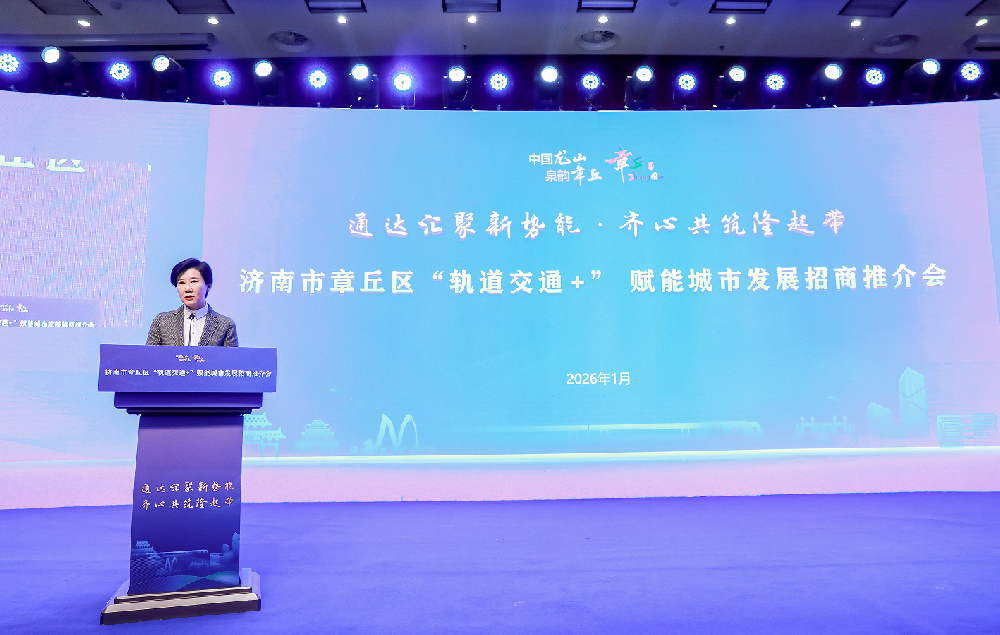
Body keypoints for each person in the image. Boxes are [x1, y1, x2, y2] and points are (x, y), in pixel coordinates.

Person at [145, 258, 238, 347]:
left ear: (208, 286)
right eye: (182, 283)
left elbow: (230, 358)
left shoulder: (225, 325)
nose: (187, 289)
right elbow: (149, 356)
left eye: (194, 281)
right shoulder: (162, 321)